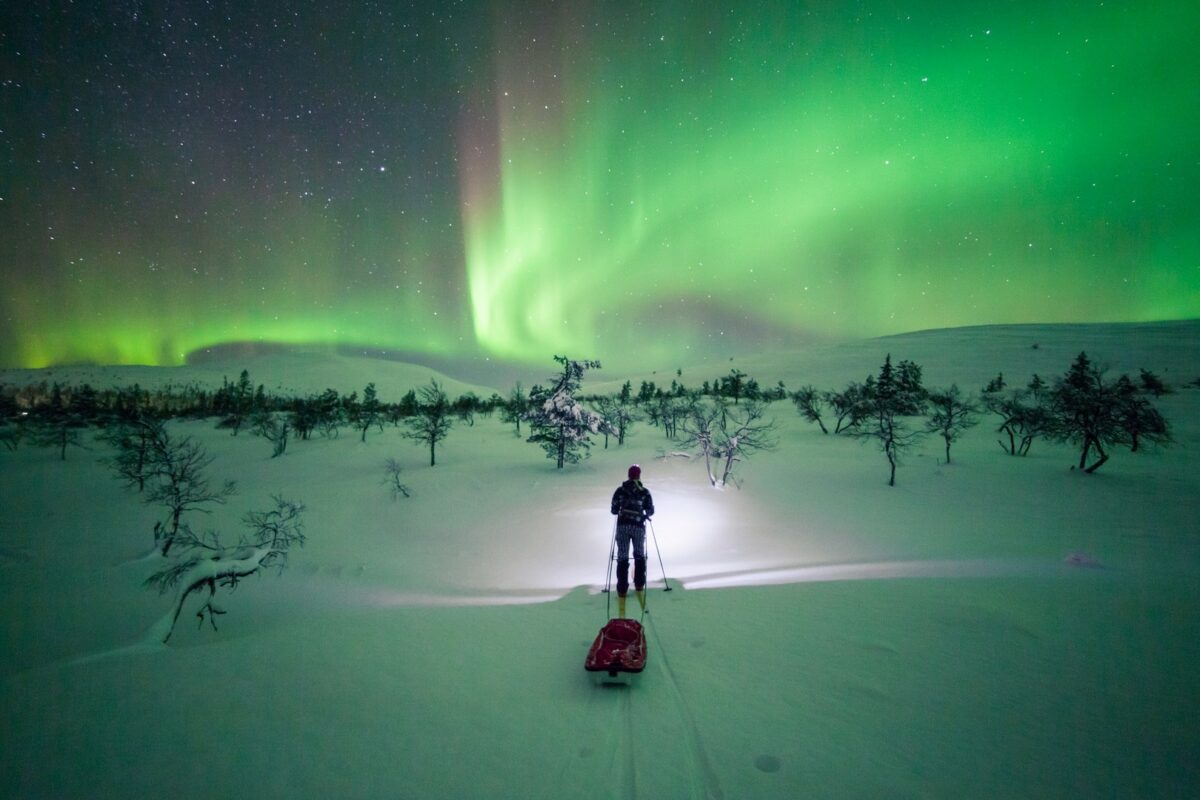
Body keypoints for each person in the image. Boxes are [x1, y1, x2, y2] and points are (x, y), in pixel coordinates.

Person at [610, 464, 654, 618]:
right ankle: (639, 584)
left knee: (622, 556)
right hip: (638, 527)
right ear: (639, 476)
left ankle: (622, 589)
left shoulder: (620, 490)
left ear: (628, 475)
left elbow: (614, 510)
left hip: (622, 527)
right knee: (639, 555)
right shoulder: (644, 492)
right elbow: (650, 510)